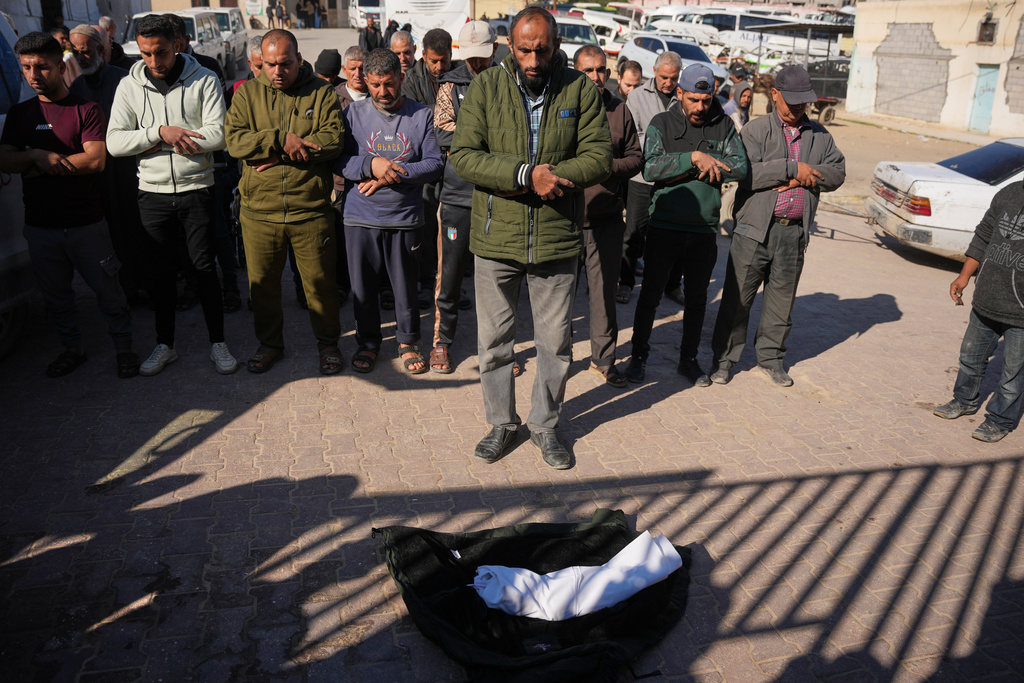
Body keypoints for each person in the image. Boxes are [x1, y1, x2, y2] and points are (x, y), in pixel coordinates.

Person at [450, 7, 612, 470]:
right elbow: (465, 154)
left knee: (555, 342)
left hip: (557, 237)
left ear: (556, 45)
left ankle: (545, 425)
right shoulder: (486, 86)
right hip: (496, 236)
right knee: (495, 340)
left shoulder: (579, 89)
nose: (534, 61)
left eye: (542, 50)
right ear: (510, 46)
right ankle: (501, 422)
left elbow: (599, 155)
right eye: (525, 50)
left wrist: (552, 177)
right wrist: (525, 176)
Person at [0, 32, 137, 378]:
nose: (34, 75)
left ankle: (124, 348)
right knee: (56, 297)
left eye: (43, 67)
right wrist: (35, 154)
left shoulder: (85, 109)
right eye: (27, 68)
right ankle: (72, 349)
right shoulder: (19, 115)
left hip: (85, 223)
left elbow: (95, 161)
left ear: (61, 67)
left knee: (109, 291)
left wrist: (37, 166)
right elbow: (4, 160)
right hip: (41, 226)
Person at [107, 14, 238, 376]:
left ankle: (219, 345)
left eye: (160, 52)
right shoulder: (128, 86)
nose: (153, 61)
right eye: (146, 54)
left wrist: (155, 142)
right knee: (160, 274)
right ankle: (165, 346)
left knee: (204, 269)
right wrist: (159, 133)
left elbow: (218, 137)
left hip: (198, 188)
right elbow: (115, 143)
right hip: (152, 193)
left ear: (176, 44)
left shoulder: (205, 80)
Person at [710, 65, 845, 387]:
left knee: (782, 302)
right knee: (737, 301)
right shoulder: (754, 132)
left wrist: (803, 174)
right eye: (792, 101)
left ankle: (771, 359)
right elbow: (744, 174)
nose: (798, 107)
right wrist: (790, 169)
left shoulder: (821, 136)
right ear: (774, 95)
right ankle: (725, 360)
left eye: (804, 102)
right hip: (752, 232)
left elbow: (838, 173)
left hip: (793, 233)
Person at [225, 29, 345, 375]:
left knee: (321, 285)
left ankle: (328, 345)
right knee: (262, 287)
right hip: (259, 213)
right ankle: (270, 345)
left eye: (285, 64)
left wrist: (281, 157)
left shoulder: (321, 92)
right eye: (269, 65)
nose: (277, 72)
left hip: (310, 210)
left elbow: (333, 140)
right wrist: (281, 139)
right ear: (260, 62)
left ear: (299, 60)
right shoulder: (247, 93)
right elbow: (235, 142)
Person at [625, 64, 748, 387]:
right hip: (664, 225)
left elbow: (740, 168)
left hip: (703, 229)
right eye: (693, 99)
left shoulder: (723, 125)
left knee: (696, 298)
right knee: (650, 295)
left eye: (706, 101)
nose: (700, 107)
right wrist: (694, 159)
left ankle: (688, 359)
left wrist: (684, 168)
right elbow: (651, 168)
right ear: (679, 93)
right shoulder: (661, 123)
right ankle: (638, 357)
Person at [335, 48, 443, 375]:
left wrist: (393, 173)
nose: (383, 92)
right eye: (376, 84)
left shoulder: (421, 115)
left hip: (405, 218)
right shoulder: (352, 115)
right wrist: (371, 164)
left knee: (405, 286)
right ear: (365, 81)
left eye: (390, 83)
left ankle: (408, 341)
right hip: (359, 217)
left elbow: (435, 164)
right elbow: (338, 161)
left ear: (402, 77)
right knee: (363, 288)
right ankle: (368, 343)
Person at [429, 20, 497, 374]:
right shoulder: (451, 83)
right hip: (457, 196)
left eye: (483, 57)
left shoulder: (508, 82)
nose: (477, 64)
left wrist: (468, 139)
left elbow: (514, 136)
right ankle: (442, 343)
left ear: (495, 50)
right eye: (471, 57)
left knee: (496, 280)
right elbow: (442, 134)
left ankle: (497, 351)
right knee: (450, 274)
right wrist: (487, 139)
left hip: (499, 197)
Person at [573, 45, 642, 388]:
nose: (596, 77)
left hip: (607, 217)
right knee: (557, 297)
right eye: (588, 70)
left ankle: (603, 359)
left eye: (601, 70)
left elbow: (635, 158)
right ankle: (555, 357)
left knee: (602, 296)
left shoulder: (620, 111)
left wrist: (607, 168)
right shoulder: (563, 106)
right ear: (576, 71)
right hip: (565, 219)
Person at [934, 184, 1024, 443]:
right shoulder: (1010, 192)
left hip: (1021, 313)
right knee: (970, 357)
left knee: (1013, 373)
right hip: (987, 299)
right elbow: (984, 235)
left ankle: (999, 420)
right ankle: (964, 401)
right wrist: (964, 276)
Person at [67, 25, 148, 305]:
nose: (81, 57)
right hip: (98, 176)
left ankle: (144, 285)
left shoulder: (125, 80)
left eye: (86, 51)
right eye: (75, 52)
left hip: (127, 171)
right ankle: (121, 290)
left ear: (101, 50)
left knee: (135, 229)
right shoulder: (77, 87)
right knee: (107, 234)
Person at [619, 51, 682, 306]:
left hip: (675, 179)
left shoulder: (684, 97)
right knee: (634, 233)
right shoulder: (636, 97)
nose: (668, 82)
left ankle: (672, 284)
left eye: (673, 78)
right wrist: (661, 144)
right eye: (664, 77)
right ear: (654, 72)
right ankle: (625, 282)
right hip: (641, 178)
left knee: (675, 235)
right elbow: (632, 136)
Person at [402, 28, 453, 310]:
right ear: (424, 56)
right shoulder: (411, 80)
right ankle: (424, 282)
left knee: (451, 226)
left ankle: (448, 284)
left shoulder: (458, 77)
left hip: (453, 164)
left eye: (443, 60)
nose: (439, 67)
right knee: (425, 225)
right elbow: (417, 123)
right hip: (423, 163)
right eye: (434, 61)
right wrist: (446, 119)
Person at [720, 81, 752, 232]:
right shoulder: (732, 109)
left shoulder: (742, 109)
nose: (746, 99)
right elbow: (742, 133)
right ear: (738, 95)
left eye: (749, 96)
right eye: (744, 96)